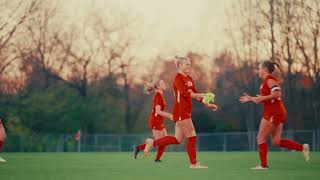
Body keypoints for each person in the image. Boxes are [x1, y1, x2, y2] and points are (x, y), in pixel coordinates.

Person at [144, 56, 218, 169]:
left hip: (185, 111)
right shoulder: (178, 79)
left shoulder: (189, 78)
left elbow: (195, 93)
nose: (189, 66)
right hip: (181, 112)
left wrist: (207, 103)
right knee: (192, 135)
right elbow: (187, 94)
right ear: (180, 65)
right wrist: (202, 95)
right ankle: (193, 164)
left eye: (189, 64)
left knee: (177, 139)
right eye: (186, 64)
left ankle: (152, 143)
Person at [239, 60, 310, 170]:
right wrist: (252, 99)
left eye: (259, 68)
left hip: (273, 113)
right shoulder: (266, 82)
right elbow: (267, 98)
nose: (258, 70)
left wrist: (261, 98)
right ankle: (302, 148)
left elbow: (277, 93)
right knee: (276, 142)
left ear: (265, 70)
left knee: (260, 138)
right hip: (276, 112)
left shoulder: (269, 79)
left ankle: (263, 166)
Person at [133, 80, 173, 162]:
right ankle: (139, 147)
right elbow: (158, 111)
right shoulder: (158, 96)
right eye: (162, 83)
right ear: (158, 86)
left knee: (164, 141)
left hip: (160, 121)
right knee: (158, 142)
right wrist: (169, 115)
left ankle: (157, 159)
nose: (164, 84)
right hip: (155, 121)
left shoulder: (161, 96)